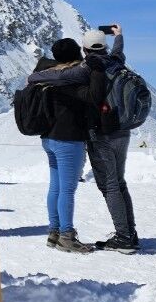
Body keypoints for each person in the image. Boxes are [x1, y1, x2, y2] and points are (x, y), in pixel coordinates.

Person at [26, 38, 101, 254]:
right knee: (67, 189)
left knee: (56, 187)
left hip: (49, 138)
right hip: (69, 139)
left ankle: (54, 232)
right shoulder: (74, 75)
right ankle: (66, 236)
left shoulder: (47, 73)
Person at [81, 25, 140, 252]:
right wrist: (118, 35)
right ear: (104, 48)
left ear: (85, 49)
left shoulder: (88, 68)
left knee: (110, 185)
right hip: (122, 130)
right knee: (120, 182)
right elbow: (119, 51)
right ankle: (130, 233)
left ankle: (123, 238)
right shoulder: (116, 62)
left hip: (101, 133)